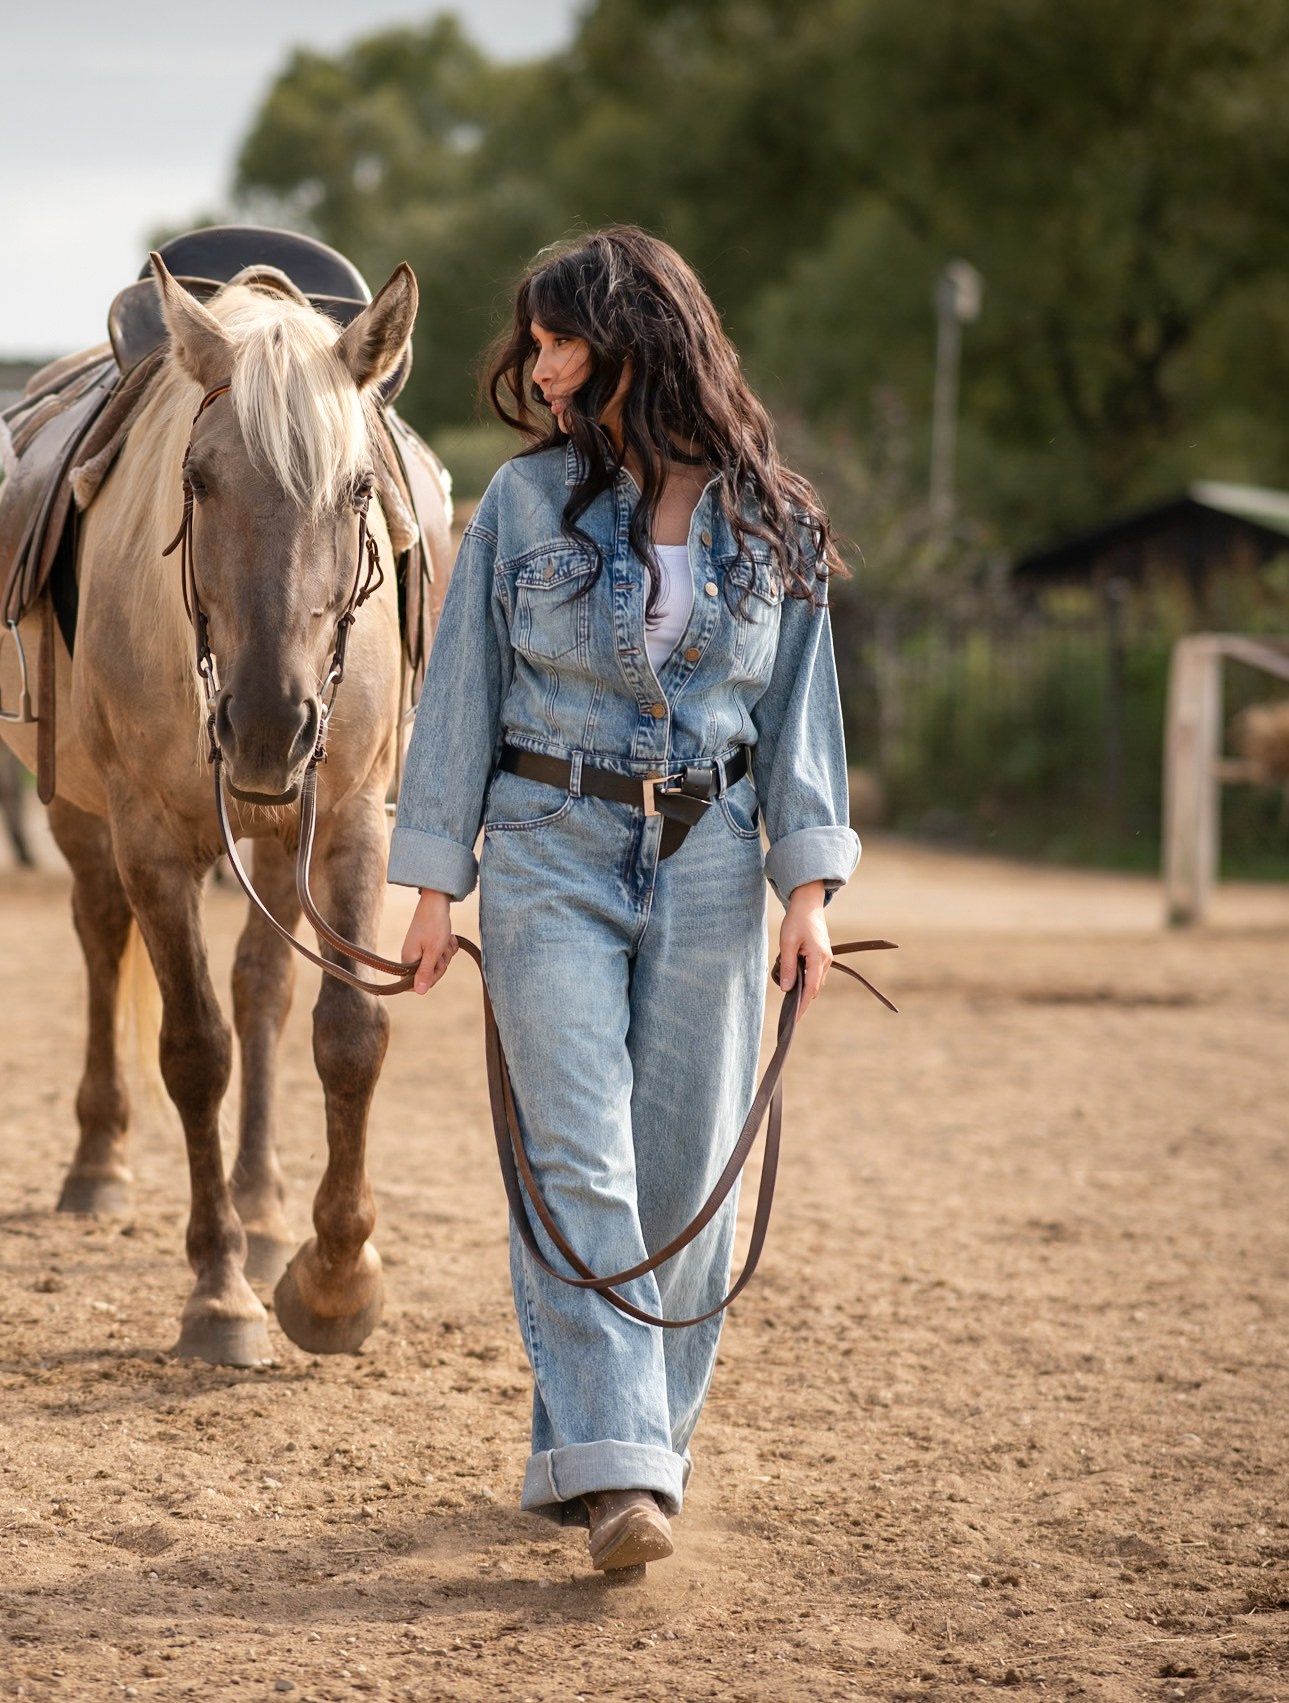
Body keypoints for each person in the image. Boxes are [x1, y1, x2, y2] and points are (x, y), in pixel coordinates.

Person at [390, 227, 859, 1573]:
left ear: (633, 340)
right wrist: (433, 886)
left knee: (683, 1184)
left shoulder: (778, 520)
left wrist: (807, 893)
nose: (537, 367)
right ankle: (623, 1476)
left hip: (713, 856)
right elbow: (461, 694)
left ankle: (614, 1449)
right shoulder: (523, 503)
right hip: (548, 845)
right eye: (534, 344)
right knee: (578, 1164)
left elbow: (802, 716)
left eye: (559, 340)